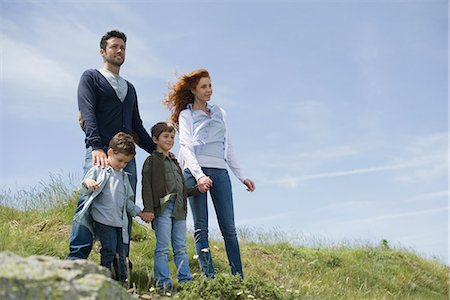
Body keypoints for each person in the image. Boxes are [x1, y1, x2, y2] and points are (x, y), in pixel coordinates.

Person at [69, 30, 156, 261]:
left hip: (127, 159)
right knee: (89, 202)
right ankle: (75, 262)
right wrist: (95, 145)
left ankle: (119, 266)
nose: (119, 51)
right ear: (103, 51)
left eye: (123, 48)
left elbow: (136, 125)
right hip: (101, 153)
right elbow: (87, 113)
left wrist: (157, 151)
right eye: (114, 47)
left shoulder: (130, 88)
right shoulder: (91, 77)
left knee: (123, 208)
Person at [163, 69, 256, 279]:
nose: (209, 90)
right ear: (194, 90)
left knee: (229, 228)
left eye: (210, 85)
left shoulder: (220, 113)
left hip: (220, 171)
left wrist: (242, 176)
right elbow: (186, 146)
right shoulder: (186, 115)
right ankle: (209, 278)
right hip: (195, 171)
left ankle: (237, 278)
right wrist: (199, 175)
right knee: (201, 227)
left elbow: (227, 145)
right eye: (204, 86)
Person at [73, 132, 151, 284]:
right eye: (120, 160)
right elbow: (85, 187)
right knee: (108, 251)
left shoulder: (124, 177)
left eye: (126, 163)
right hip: (103, 220)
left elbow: (127, 202)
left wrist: (138, 212)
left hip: (119, 223)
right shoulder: (98, 170)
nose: (122, 165)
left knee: (121, 254)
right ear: (110, 152)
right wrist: (88, 183)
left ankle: (121, 283)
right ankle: (104, 281)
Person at [141, 122, 199, 292]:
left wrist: (197, 190)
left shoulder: (175, 162)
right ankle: (163, 284)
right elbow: (146, 186)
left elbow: (181, 190)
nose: (170, 140)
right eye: (165, 136)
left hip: (179, 209)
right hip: (163, 208)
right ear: (155, 139)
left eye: (172, 137)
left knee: (181, 247)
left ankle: (186, 282)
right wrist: (149, 209)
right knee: (163, 247)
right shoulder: (151, 161)